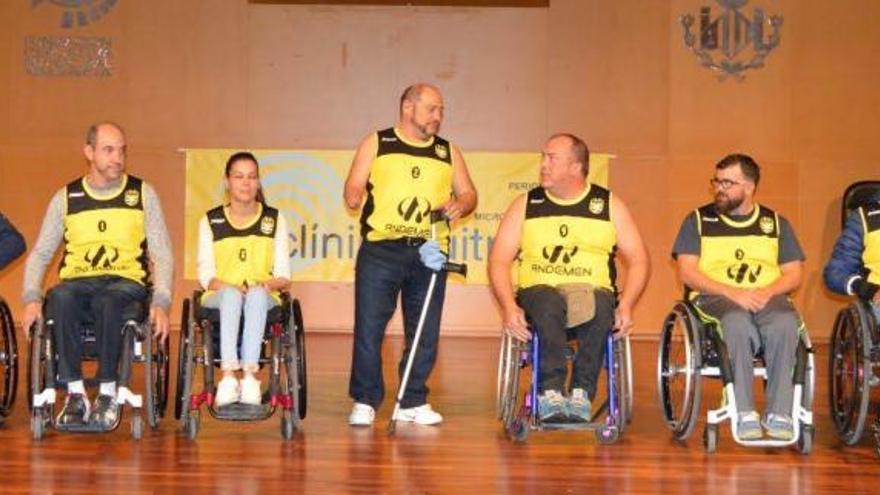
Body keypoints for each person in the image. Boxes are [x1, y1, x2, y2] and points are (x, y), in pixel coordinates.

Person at [488, 133, 649, 422]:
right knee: (549, 302)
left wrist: (626, 306)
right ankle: (549, 391)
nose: (543, 165)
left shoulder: (608, 205)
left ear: (576, 167)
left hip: (590, 292)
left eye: (552, 158)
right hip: (540, 292)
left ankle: (581, 394)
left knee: (602, 303)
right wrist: (509, 308)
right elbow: (499, 261)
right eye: (543, 157)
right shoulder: (526, 204)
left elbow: (638, 260)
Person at [21, 122, 173, 428]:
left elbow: (162, 252)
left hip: (126, 284)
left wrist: (162, 300)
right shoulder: (66, 198)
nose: (117, 157)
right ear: (89, 152)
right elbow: (40, 253)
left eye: (121, 150)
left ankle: (107, 392)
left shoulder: (142, 194)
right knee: (59, 296)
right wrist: (31, 297)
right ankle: (75, 393)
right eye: (108, 150)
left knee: (109, 299)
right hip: (80, 282)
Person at [343, 83, 477, 426]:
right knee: (370, 327)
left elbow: (469, 193)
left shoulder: (448, 152)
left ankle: (412, 398)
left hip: (429, 251)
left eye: (441, 110)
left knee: (424, 330)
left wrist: (460, 203)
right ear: (407, 107)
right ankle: (365, 400)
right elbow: (353, 185)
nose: (438, 116)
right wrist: (355, 194)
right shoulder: (378, 142)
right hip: (381, 250)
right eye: (432, 109)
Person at [672, 153, 805, 440]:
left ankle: (779, 412)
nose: (719, 188)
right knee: (735, 321)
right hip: (714, 297)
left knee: (784, 321)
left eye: (728, 183)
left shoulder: (776, 223)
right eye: (717, 181)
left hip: (765, 297)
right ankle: (743, 410)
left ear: (749, 187)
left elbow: (794, 274)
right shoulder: (697, 220)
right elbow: (687, 272)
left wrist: (766, 292)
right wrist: (733, 293)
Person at [196, 152, 291, 407]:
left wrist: (265, 285)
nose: (246, 183)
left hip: (263, 296)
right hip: (221, 295)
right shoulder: (211, 220)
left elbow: (284, 276)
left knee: (258, 295)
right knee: (231, 295)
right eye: (239, 176)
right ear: (227, 181)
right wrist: (234, 288)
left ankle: (249, 377)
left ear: (258, 182)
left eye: (251, 177)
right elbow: (206, 276)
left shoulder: (274, 219)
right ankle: (228, 376)